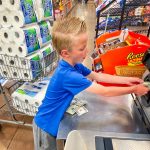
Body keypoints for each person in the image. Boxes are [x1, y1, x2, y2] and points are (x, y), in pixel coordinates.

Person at [32, 17, 149, 150]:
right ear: (65, 53)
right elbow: (104, 91)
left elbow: (97, 76)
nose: (86, 52)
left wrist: (127, 80)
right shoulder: (67, 75)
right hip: (45, 125)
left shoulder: (73, 65)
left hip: (52, 120)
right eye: (81, 49)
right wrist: (133, 89)